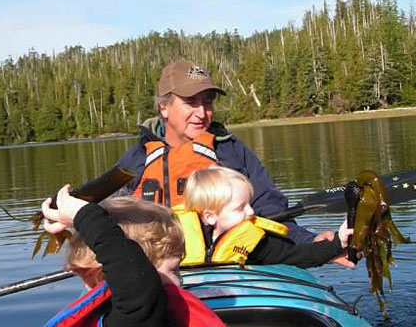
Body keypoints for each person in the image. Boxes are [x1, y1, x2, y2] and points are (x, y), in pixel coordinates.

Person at [116, 59, 338, 249]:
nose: (202, 113)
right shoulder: (137, 159)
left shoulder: (229, 150)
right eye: (191, 102)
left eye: (208, 102)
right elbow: (109, 217)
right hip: (158, 267)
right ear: (164, 107)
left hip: (227, 261)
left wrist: (309, 241)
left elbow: (269, 209)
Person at [41, 185, 225, 327]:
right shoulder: (132, 318)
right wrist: (85, 216)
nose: (180, 281)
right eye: (173, 270)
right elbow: (137, 284)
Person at [176, 166, 353, 268]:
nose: (251, 212)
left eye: (249, 204)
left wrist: (337, 244)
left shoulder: (259, 242)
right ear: (210, 216)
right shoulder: (175, 236)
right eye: (240, 208)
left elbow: (297, 255)